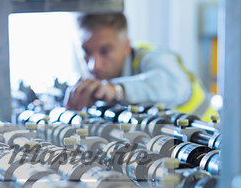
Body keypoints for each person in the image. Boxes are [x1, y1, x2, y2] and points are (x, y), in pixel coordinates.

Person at [65, 12, 217, 120]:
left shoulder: (152, 57)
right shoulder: (100, 79)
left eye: (105, 51)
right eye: (86, 51)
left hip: (207, 150)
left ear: (126, 46)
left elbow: (174, 85)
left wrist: (116, 90)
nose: (94, 65)